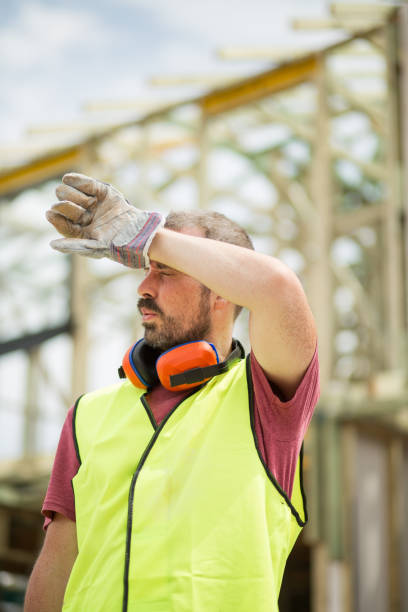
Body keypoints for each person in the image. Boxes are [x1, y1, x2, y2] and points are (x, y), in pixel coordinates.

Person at [24, 173, 319, 612]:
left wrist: (146, 236)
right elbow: (58, 566)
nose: (144, 287)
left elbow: (278, 290)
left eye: (165, 271)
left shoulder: (265, 401)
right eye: (146, 270)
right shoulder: (87, 416)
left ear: (223, 291)